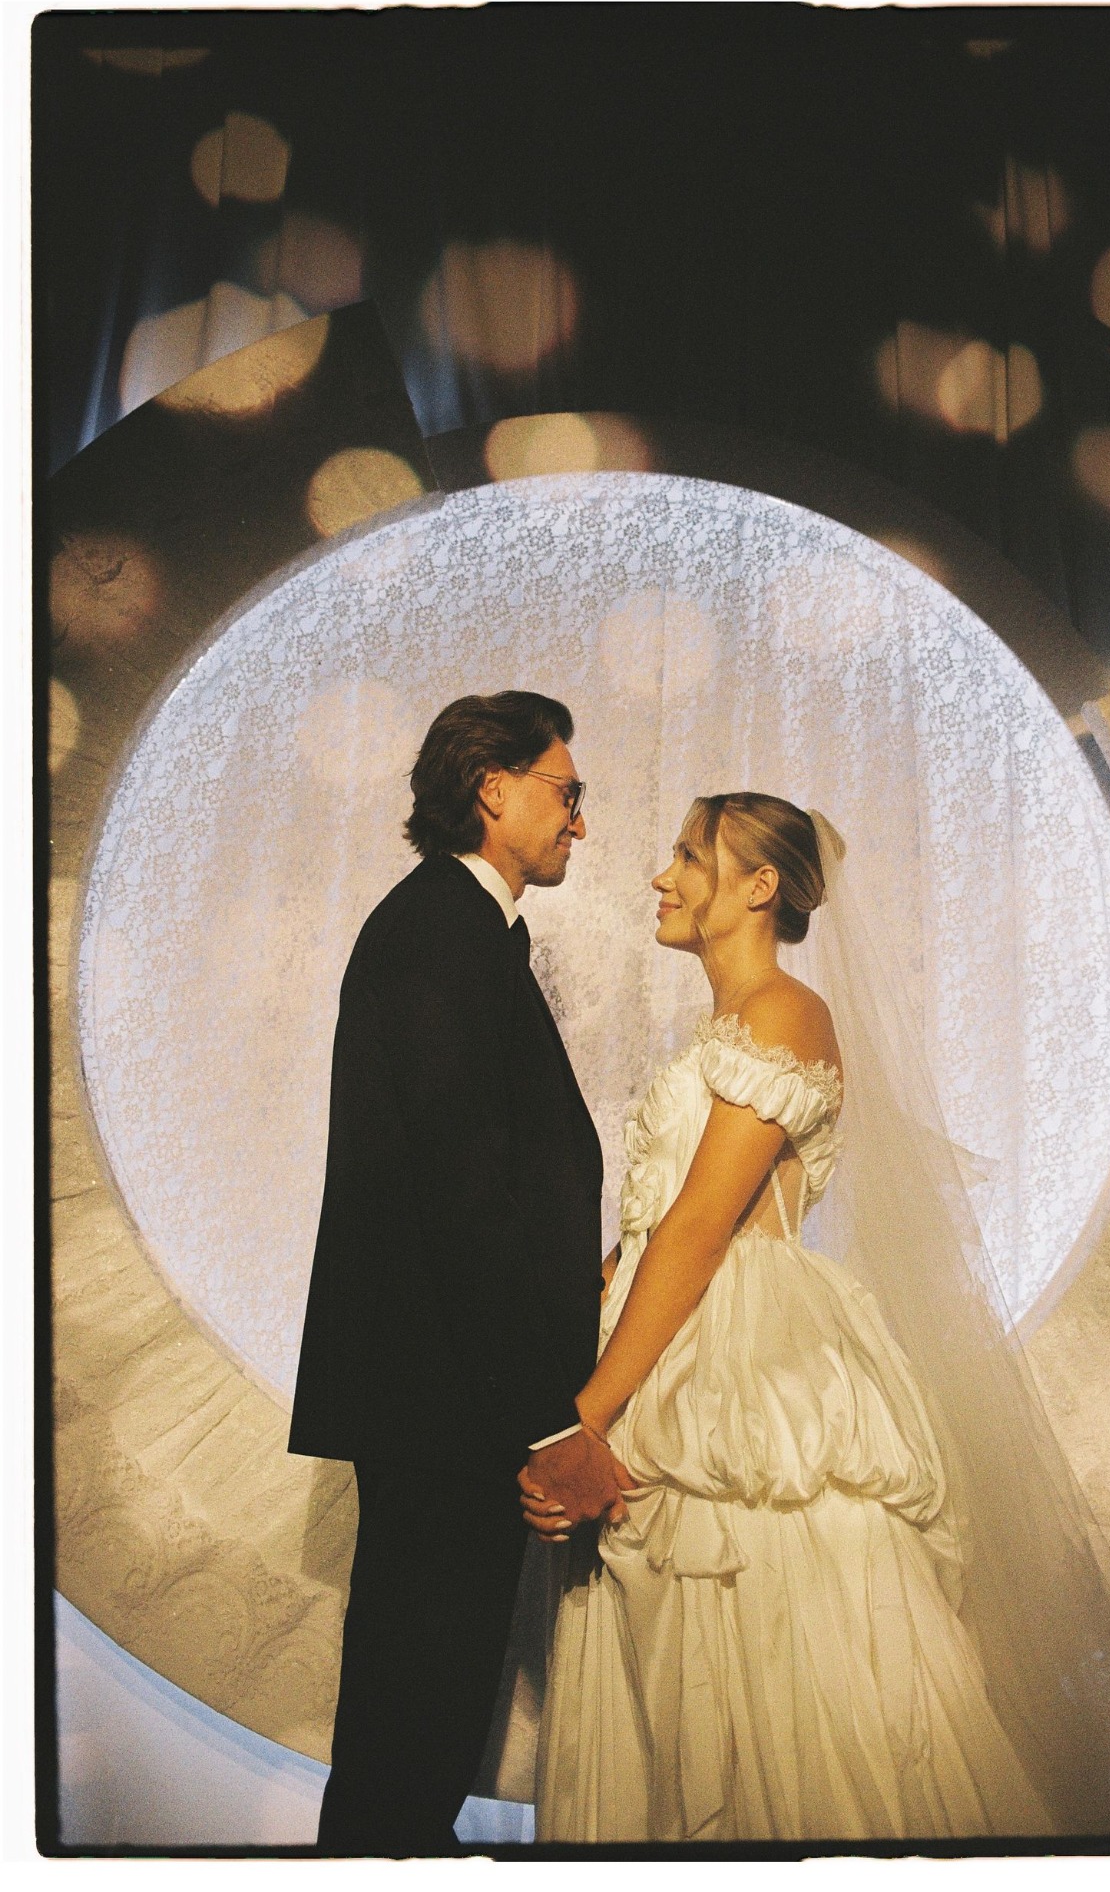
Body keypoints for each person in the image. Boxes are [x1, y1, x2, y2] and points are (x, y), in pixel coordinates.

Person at [521, 791, 1110, 1843]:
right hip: (670, 1347)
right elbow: (648, 1236)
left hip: (743, 1365)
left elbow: (698, 1230)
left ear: (759, 885)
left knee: (792, 1683)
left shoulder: (784, 1013)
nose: (660, 877)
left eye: (687, 857)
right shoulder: (721, 1029)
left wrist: (585, 1419)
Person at [288, 690, 624, 1856]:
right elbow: (461, 1199)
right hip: (447, 1410)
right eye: (566, 792)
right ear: (493, 788)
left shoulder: (453, 926)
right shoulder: (440, 931)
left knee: (416, 1728)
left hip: (446, 1402)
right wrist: (549, 1424)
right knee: (409, 1737)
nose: (579, 821)